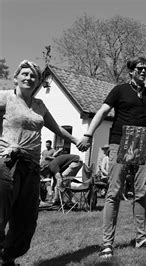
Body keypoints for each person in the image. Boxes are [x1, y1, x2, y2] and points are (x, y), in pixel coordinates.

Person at [76, 56, 146, 258]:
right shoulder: (119, 90)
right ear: (131, 71)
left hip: (140, 144)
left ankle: (140, 238)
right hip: (119, 142)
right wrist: (88, 134)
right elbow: (102, 112)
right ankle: (106, 244)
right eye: (140, 69)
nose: (144, 71)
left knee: (141, 193)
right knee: (114, 193)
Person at [0, 60, 79, 265]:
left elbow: (57, 129)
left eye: (33, 76)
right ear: (16, 77)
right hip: (8, 164)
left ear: (37, 82)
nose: (29, 78)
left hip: (32, 167)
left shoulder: (39, 105)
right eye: (24, 74)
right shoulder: (5, 97)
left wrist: (76, 140)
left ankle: (7, 258)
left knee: (26, 220)